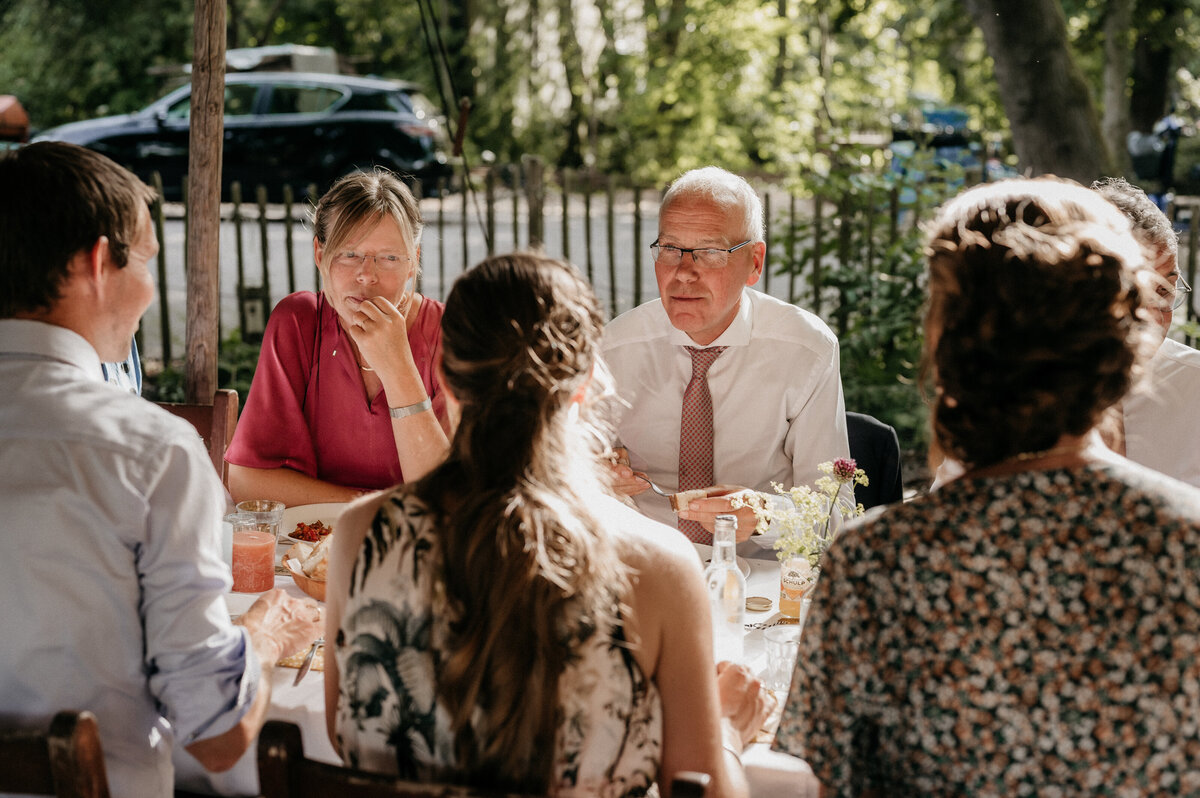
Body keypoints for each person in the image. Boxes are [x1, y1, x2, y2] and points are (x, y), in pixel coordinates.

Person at [774, 177, 1200, 795]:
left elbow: (820, 781)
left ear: (946, 341)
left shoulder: (879, 562)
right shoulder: (1189, 542)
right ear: (1120, 340)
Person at [324, 253, 771, 796]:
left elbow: (344, 735)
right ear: (584, 384)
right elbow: (702, 790)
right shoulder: (658, 566)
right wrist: (726, 727)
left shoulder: (359, 534)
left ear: (443, 374)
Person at [0, 142, 323, 796]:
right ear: (97, 263)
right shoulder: (153, 450)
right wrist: (263, 633)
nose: (152, 285)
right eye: (146, 257)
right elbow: (217, 736)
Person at [603, 166, 849, 549]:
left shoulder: (807, 350)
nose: (684, 272)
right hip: (643, 562)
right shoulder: (614, 348)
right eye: (670, 249)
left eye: (710, 253)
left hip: (763, 576)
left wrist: (767, 514)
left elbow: (836, 508)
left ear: (754, 262)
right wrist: (595, 477)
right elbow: (567, 484)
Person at [225, 169, 450, 506]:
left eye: (389, 258)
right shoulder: (299, 322)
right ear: (320, 254)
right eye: (350, 254)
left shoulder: (449, 332)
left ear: (413, 262)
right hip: (310, 544)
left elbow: (448, 495)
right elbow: (246, 480)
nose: (367, 275)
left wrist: (398, 367)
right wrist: (371, 508)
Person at [1092, 176, 1200, 488]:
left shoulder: (1194, 385)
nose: (1154, 316)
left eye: (1166, 291)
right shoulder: (1019, 392)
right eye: (1133, 291)